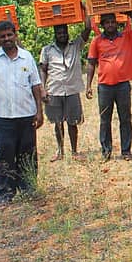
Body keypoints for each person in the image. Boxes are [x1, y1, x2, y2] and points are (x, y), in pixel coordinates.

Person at [0, 21, 44, 205]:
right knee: (5, 156)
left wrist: (39, 112)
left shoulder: (27, 57)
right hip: (2, 117)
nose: (7, 39)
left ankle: (28, 189)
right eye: (2, 36)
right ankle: (4, 194)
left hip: (26, 115)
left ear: (15, 35)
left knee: (27, 155)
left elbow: (36, 86)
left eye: (9, 35)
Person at [85, 11, 132, 161]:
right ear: (102, 25)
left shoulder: (126, 36)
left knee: (125, 118)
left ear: (116, 22)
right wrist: (88, 85)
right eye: (107, 22)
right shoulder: (97, 41)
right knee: (105, 119)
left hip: (122, 85)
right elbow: (91, 63)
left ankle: (126, 151)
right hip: (104, 86)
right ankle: (106, 151)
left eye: (112, 21)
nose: (110, 25)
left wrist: (131, 14)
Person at [39, 14, 91, 162]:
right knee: (57, 122)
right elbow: (43, 69)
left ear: (68, 33)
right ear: (55, 34)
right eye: (59, 33)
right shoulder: (47, 50)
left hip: (72, 90)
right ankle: (60, 151)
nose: (62, 35)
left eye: (64, 32)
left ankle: (74, 151)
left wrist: (84, 9)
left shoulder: (76, 46)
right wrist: (43, 88)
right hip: (54, 90)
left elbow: (88, 28)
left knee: (73, 122)